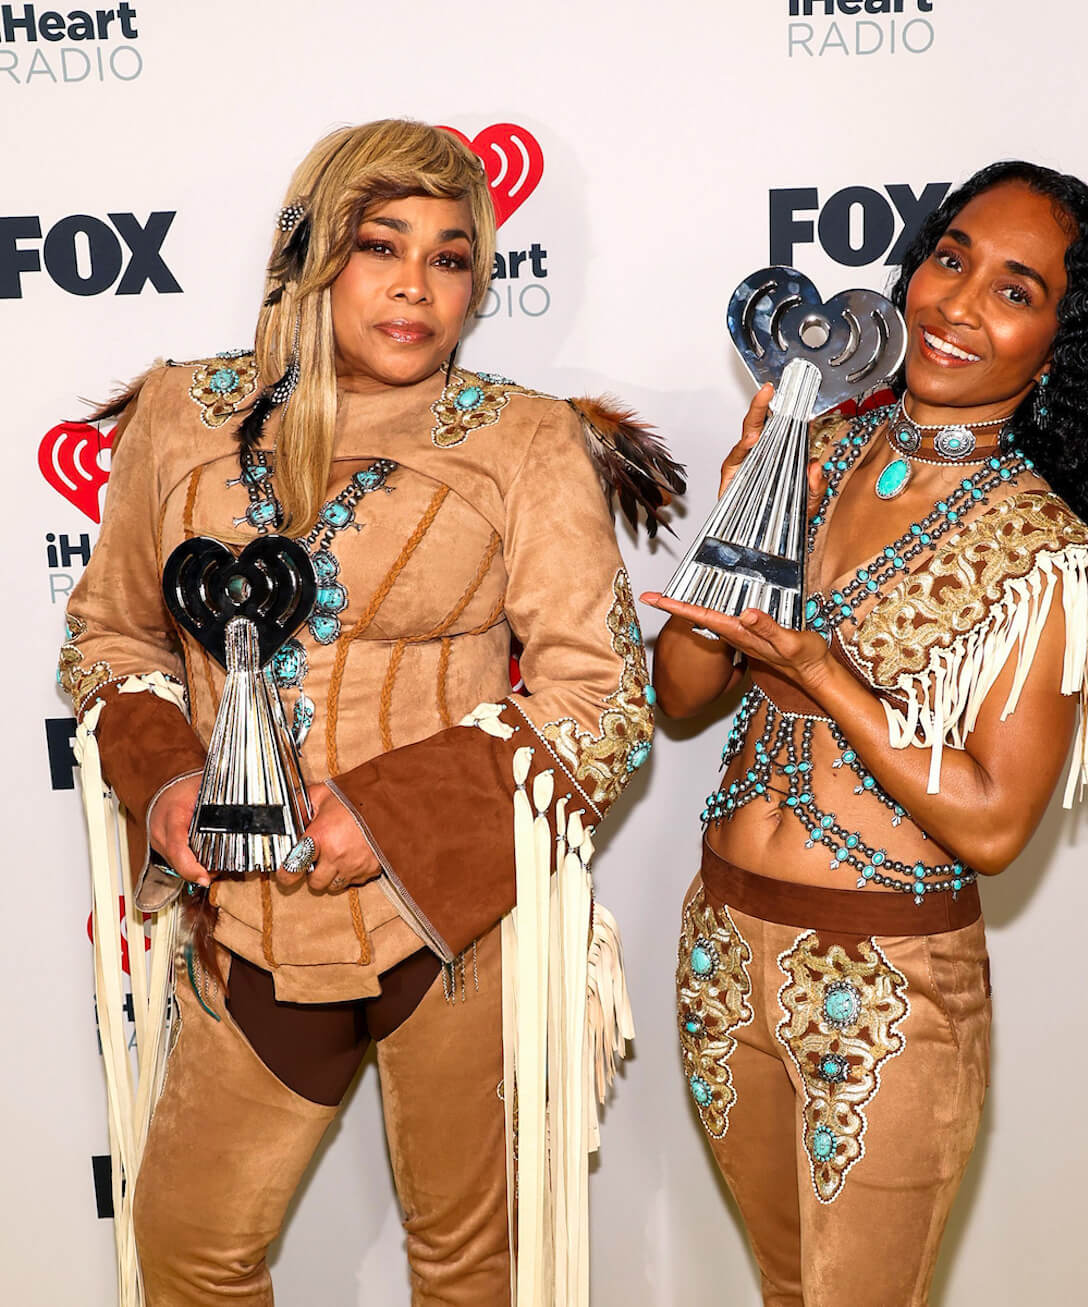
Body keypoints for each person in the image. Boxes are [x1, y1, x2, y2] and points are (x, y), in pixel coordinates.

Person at [60, 118, 679, 1306]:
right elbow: (110, 636)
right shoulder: (184, 415)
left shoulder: (526, 437)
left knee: (470, 1271)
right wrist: (167, 779)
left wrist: (391, 813)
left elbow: (600, 693)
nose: (416, 285)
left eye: (452, 256)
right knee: (188, 1246)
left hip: (455, 918)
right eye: (380, 245)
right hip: (247, 912)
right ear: (309, 254)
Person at [642, 160, 1088, 1306]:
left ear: (1061, 341)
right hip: (720, 953)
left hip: (888, 985)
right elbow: (681, 688)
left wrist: (822, 669)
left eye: (1017, 289)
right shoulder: (808, 456)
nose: (959, 304)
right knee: (782, 1286)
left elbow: (998, 822)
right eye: (950, 258)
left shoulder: (1049, 552)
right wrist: (735, 513)